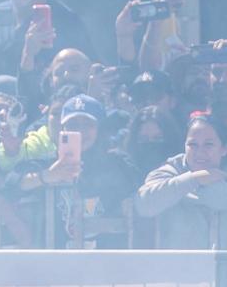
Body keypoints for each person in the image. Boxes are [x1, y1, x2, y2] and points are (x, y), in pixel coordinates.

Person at [8, 94, 136, 248]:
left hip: (107, 262)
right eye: (73, 125)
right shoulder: (48, 165)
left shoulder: (118, 164)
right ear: (63, 130)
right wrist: (49, 175)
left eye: (88, 124)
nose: (80, 131)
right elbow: (10, 185)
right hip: (58, 263)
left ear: (100, 128)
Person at [134, 113, 227, 248]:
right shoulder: (170, 171)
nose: (200, 152)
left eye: (209, 144)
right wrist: (194, 179)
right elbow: (144, 204)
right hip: (179, 266)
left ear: (223, 149)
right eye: (193, 144)